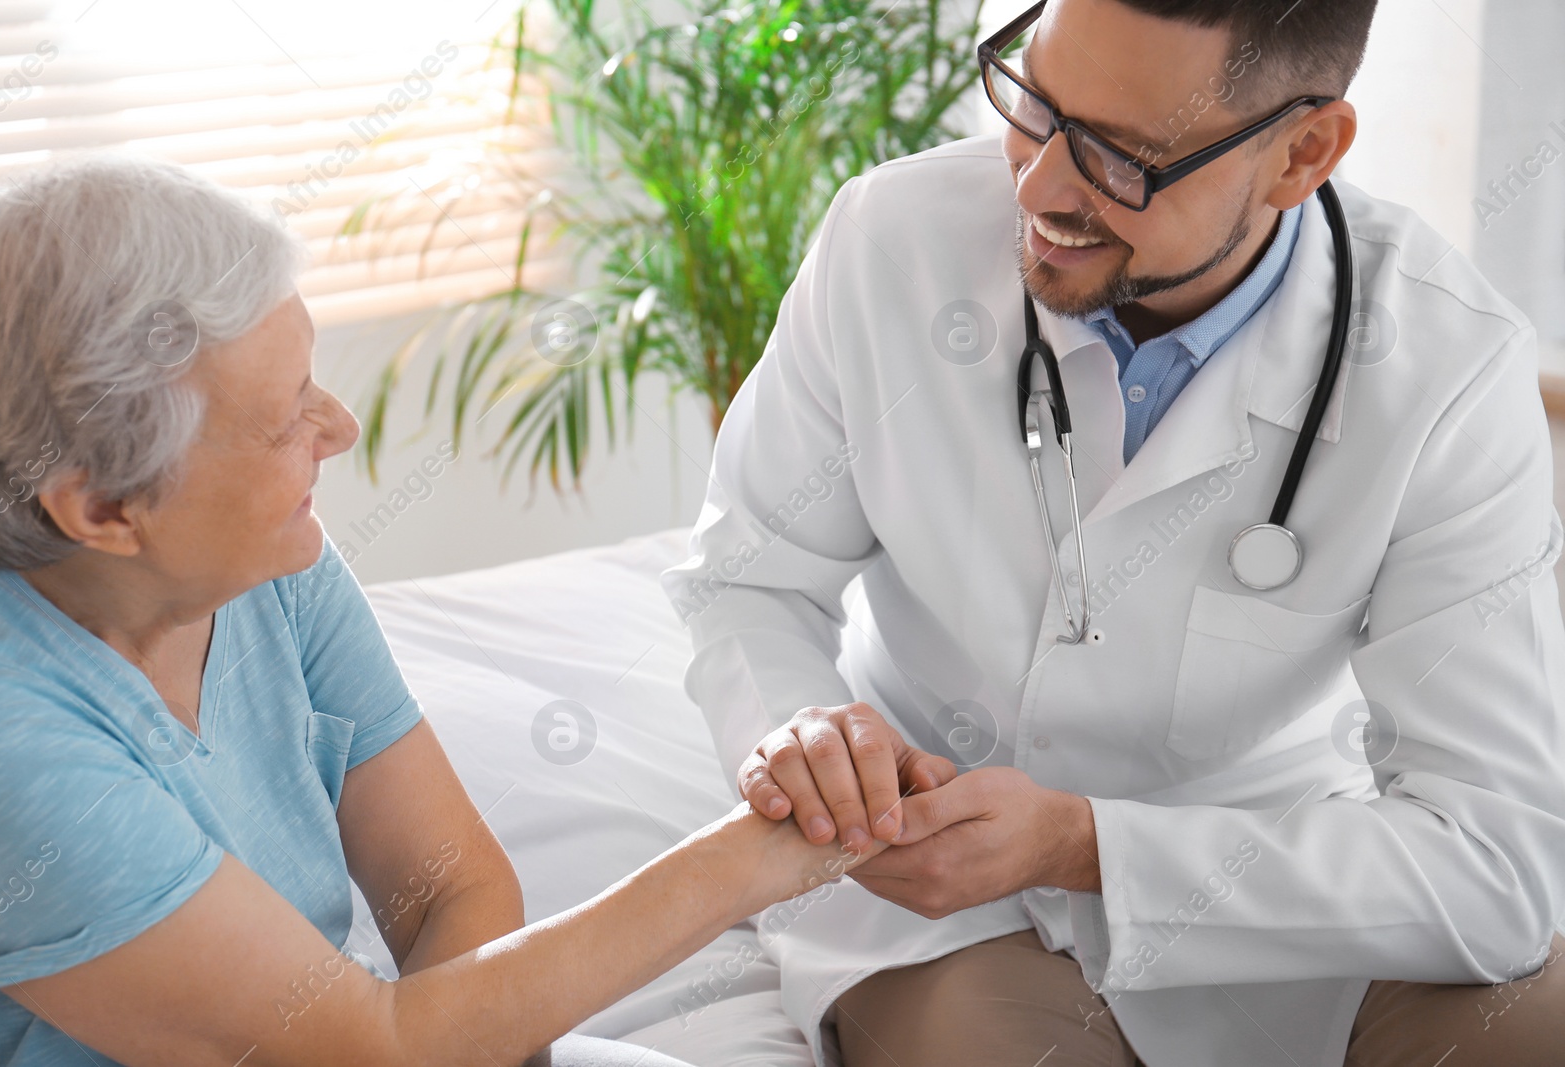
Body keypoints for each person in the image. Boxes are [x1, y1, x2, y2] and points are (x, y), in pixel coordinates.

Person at [661, 0, 1565, 1064]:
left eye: (1120, 157)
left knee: (1526, 1029)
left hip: (1267, 875)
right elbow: (747, 580)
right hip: (933, 876)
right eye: (1034, 103)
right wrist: (806, 733)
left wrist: (1088, 844)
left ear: (1300, 153)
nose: (1038, 186)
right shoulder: (888, 244)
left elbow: (1494, 865)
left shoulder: (1448, 370)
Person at [0, 155, 876, 1067]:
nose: (340, 428)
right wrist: (753, 855)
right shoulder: (2, 740)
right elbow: (374, 1046)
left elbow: (453, 889)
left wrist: (465, 1047)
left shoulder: (271, 562)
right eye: (286, 420)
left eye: (311, 377)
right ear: (104, 511)